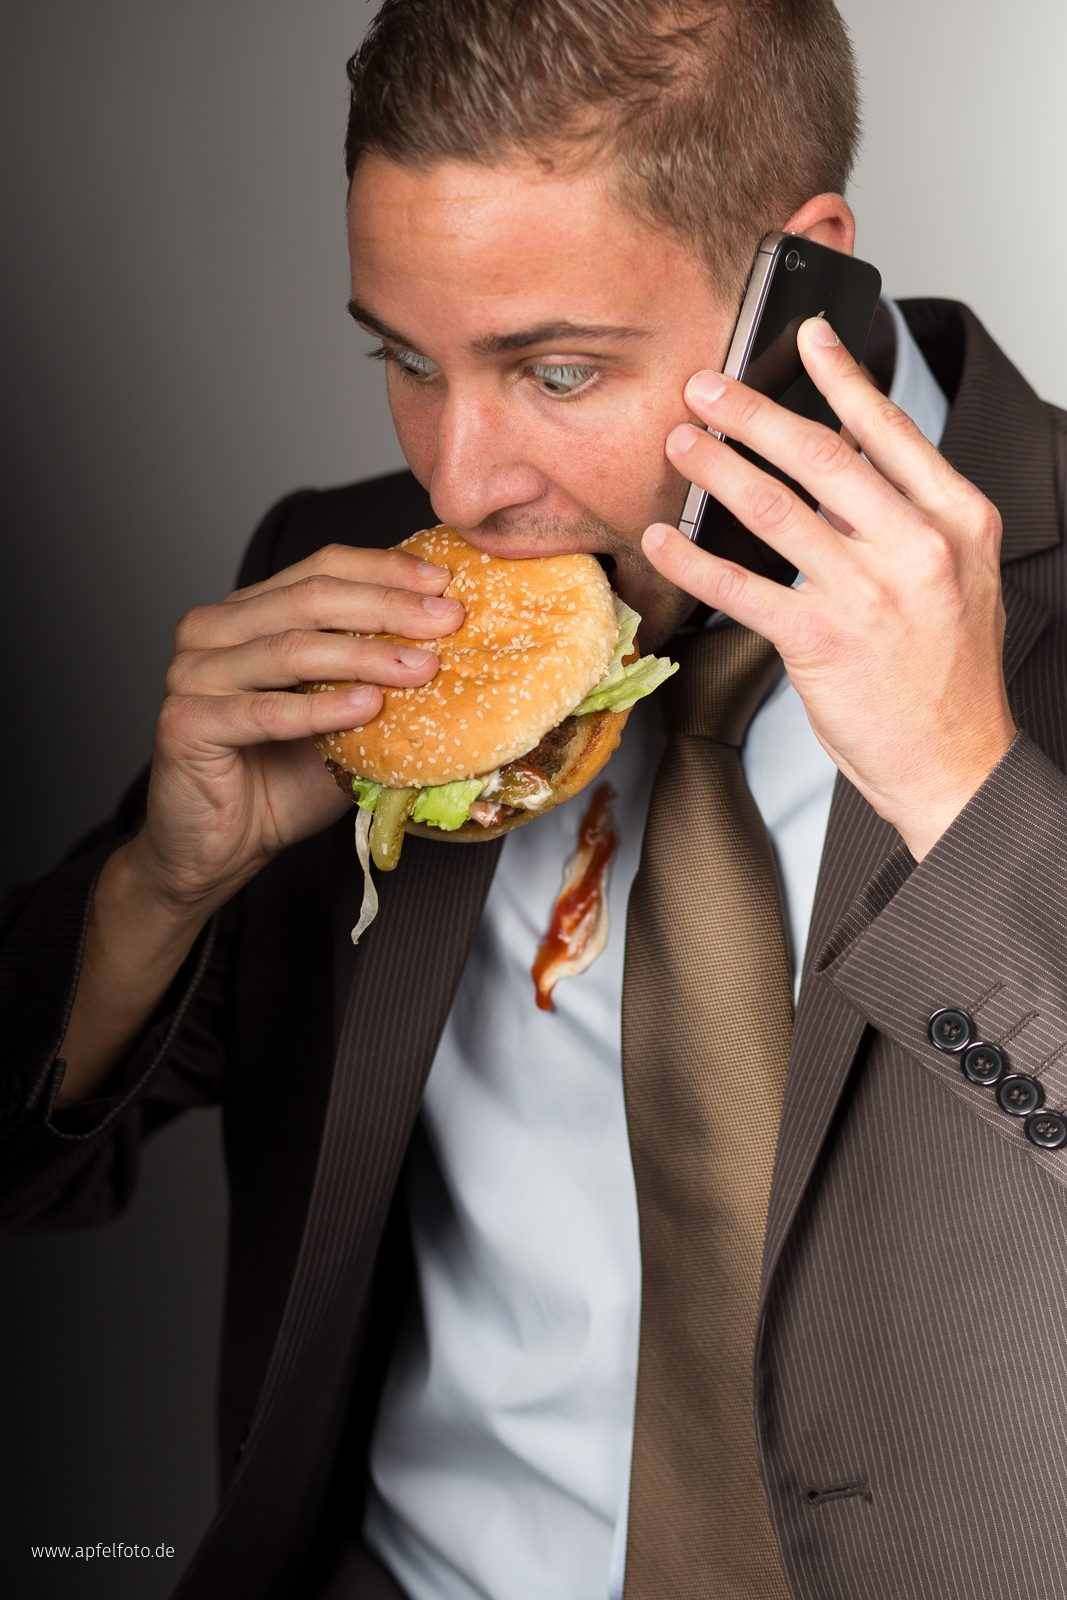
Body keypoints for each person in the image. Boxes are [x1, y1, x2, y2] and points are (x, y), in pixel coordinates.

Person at [3, 1, 1066, 1596]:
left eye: (555, 368)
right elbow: (36, 1166)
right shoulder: (347, 595)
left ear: (807, 275)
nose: (459, 479)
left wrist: (963, 795)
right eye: (405, 360)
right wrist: (166, 882)